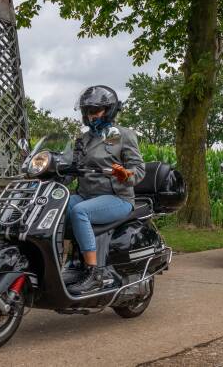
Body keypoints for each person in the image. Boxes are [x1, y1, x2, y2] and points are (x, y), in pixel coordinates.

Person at [66, 85, 145, 295]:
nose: (91, 116)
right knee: (55, 208)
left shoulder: (124, 135)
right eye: (88, 112)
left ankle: (95, 274)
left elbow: (138, 169)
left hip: (116, 197)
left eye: (96, 111)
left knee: (80, 212)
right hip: (86, 195)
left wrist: (125, 175)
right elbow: (71, 169)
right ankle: (70, 262)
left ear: (109, 111)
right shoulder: (83, 139)